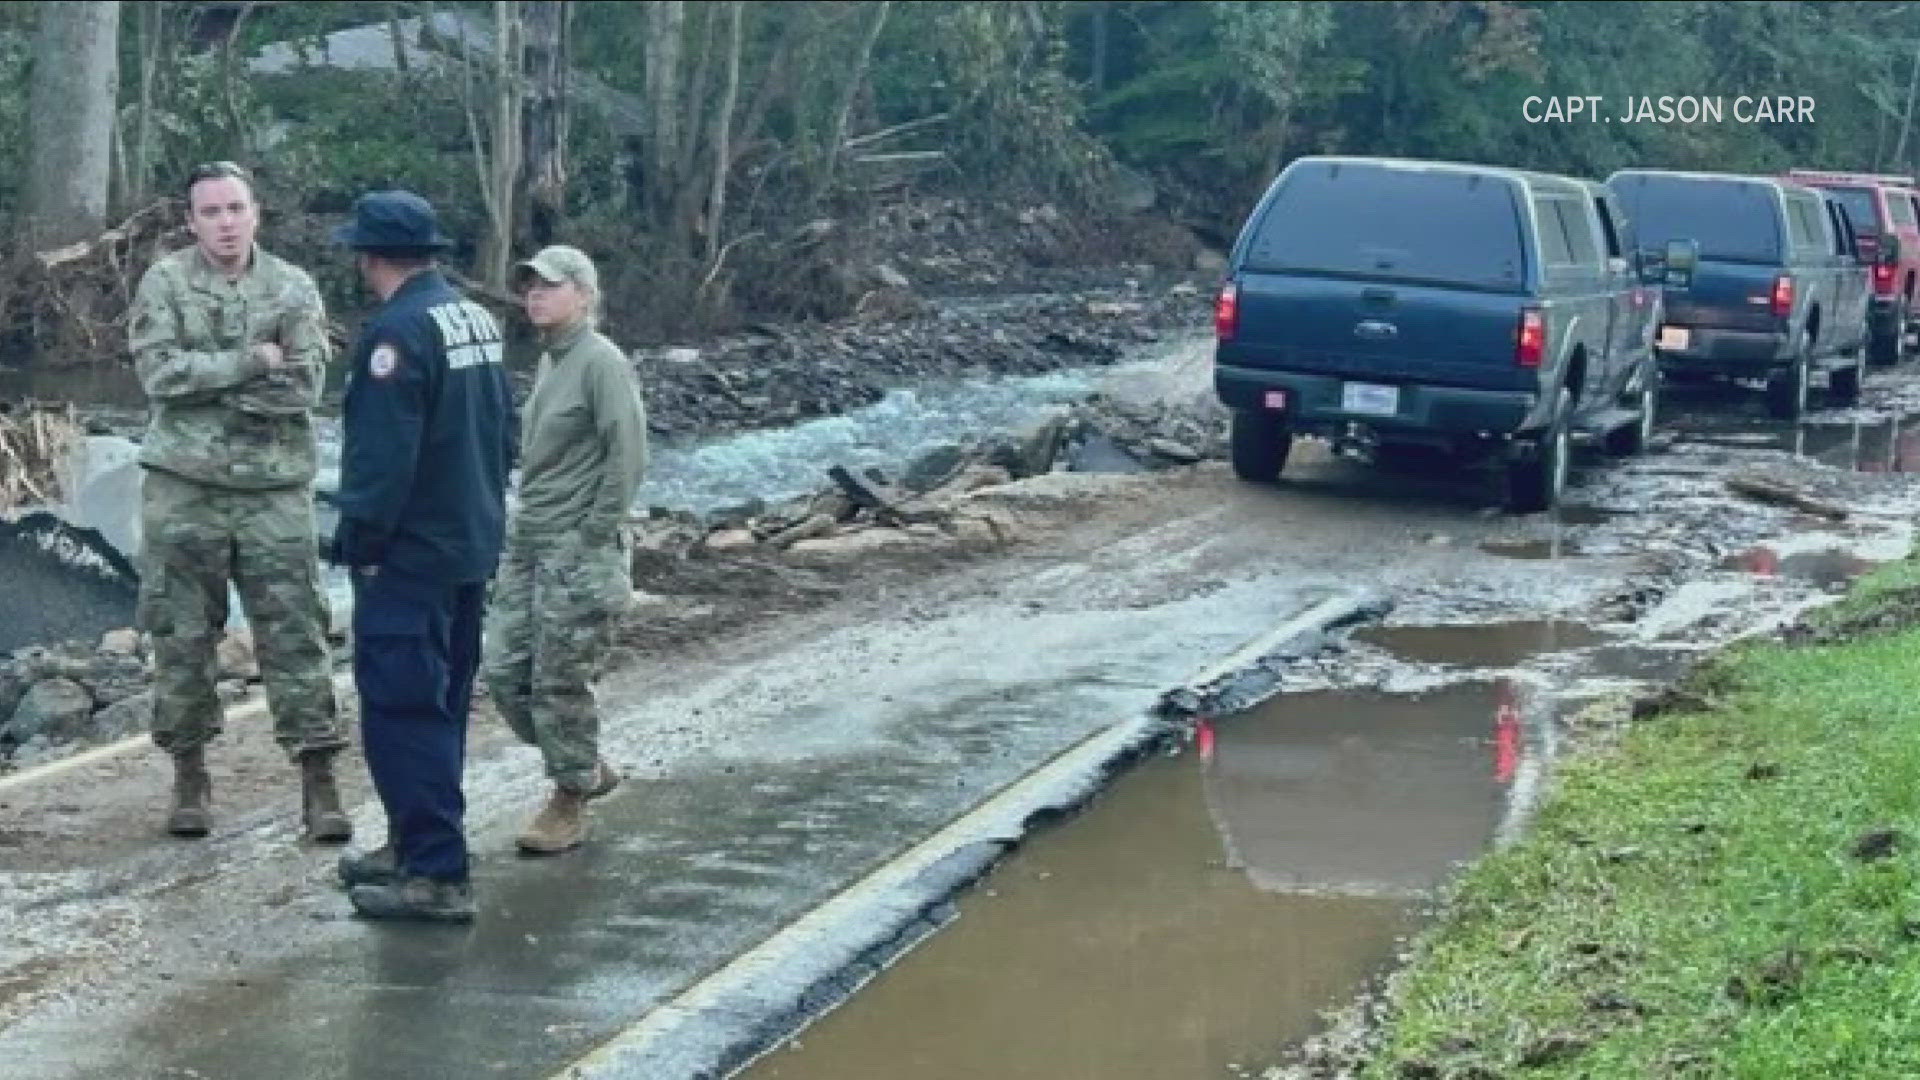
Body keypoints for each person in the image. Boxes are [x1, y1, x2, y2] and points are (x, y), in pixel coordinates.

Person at [128, 160, 349, 843]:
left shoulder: (292, 286)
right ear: (191, 221)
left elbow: (306, 386)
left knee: (295, 633)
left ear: (256, 214)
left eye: (235, 209)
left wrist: (213, 382)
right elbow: (160, 374)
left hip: (272, 491)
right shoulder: (165, 282)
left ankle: (318, 781)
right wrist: (252, 363)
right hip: (183, 490)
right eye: (211, 212)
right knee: (180, 635)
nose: (225, 223)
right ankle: (189, 775)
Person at [327, 190, 515, 923]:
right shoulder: (474, 318)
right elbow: (504, 428)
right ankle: (414, 840)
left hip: (412, 555)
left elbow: (381, 459)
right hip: (468, 542)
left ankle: (435, 871)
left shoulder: (396, 336)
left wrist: (361, 545)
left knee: (404, 708)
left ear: (368, 257)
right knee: (442, 703)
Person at [484, 246, 647, 855]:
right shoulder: (553, 361)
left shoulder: (601, 363)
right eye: (529, 287)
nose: (535, 296)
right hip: (530, 540)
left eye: (549, 286)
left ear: (583, 294)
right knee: (504, 673)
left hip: (577, 547)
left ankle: (569, 797)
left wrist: (591, 534)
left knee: (559, 680)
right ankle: (584, 762)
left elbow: (627, 455)